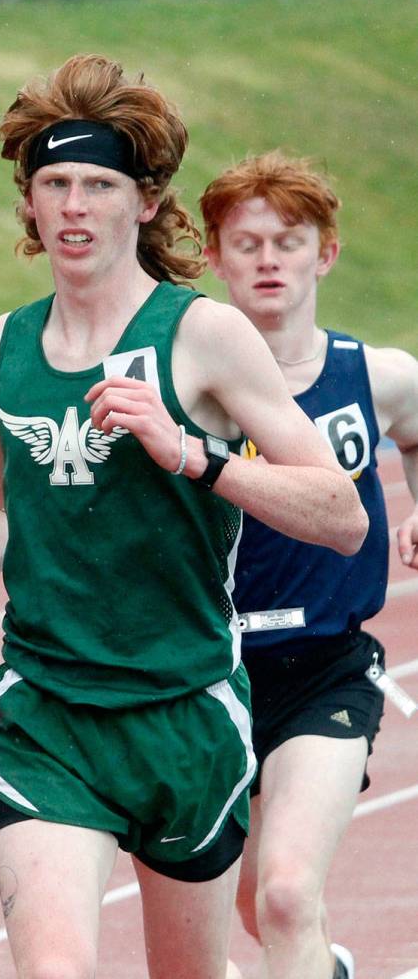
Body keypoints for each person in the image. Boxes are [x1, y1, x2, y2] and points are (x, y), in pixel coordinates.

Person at [0, 55, 367, 979]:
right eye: (55, 184)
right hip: (48, 710)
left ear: (146, 202)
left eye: (99, 184)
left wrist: (191, 453)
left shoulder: (202, 335)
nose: (75, 205)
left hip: (184, 711)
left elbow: (340, 514)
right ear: (31, 203)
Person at [200, 150, 418, 979]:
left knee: (287, 896)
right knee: (251, 907)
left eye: (287, 242)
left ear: (324, 254)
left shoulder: (378, 375)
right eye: (245, 243)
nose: (267, 261)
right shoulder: (193, 387)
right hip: (208, 673)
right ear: (214, 258)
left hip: (327, 667)